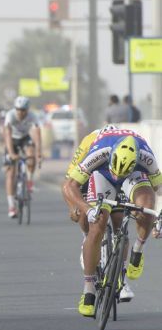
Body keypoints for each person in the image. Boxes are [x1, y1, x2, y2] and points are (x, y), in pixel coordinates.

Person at [64, 129, 161, 317]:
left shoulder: (146, 155)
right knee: (97, 224)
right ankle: (89, 289)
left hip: (133, 177)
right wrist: (87, 209)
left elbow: (158, 188)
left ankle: (137, 251)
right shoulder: (99, 150)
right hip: (103, 175)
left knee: (146, 206)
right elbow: (70, 185)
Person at [60, 124, 135, 302]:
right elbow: (69, 182)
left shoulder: (126, 143)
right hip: (88, 174)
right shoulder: (88, 142)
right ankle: (87, 239)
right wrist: (73, 207)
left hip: (115, 173)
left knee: (119, 222)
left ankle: (121, 279)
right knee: (85, 216)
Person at [3, 96, 42, 218]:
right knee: (10, 173)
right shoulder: (10, 116)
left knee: (31, 155)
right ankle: (11, 207)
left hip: (25, 138)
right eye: (18, 109)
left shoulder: (32, 116)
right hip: (12, 140)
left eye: (23, 110)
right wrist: (11, 153)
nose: (21, 112)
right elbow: (7, 135)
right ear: (15, 109)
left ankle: (29, 180)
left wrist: (39, 153)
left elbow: (37, 133)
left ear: (27, 110)